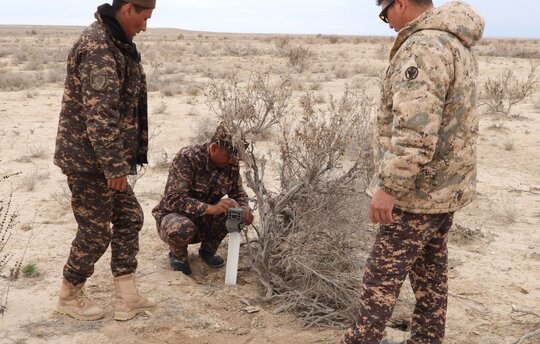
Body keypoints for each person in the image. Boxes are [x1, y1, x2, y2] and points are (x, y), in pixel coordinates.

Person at [344, 1, 484, 343]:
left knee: (380, 279)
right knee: (430, 274)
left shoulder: (423, 47)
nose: (386, 22)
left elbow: (416, 133)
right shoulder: (455, 42)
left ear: (401, 4)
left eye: (384, 13)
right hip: (445, 189)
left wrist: (388, 187)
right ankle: (426, 338)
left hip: (416, 193)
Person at [53, 0, 157, 321]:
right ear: (128, 9)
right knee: (96, 232)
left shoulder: (117, 42)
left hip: (106, 159)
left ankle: (127, 297)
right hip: (88, 161)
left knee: (129, 218)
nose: (145, 26)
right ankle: (69, 295)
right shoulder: (98, 46)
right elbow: (100, 115)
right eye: (144, 18)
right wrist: (114, 166)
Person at [152, 123, 254, 276]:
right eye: (228, 155)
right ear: (213, 148)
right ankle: (178, 255)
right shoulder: (188, 157)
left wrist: (245, 209)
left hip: (205, 220)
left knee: (233, 212)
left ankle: (208, 250)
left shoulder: (230, 164)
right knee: (182, 227)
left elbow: (238, 194)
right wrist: (211, 208)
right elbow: (174, 198)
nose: (233, 160)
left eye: (236, 156)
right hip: (174, 218)